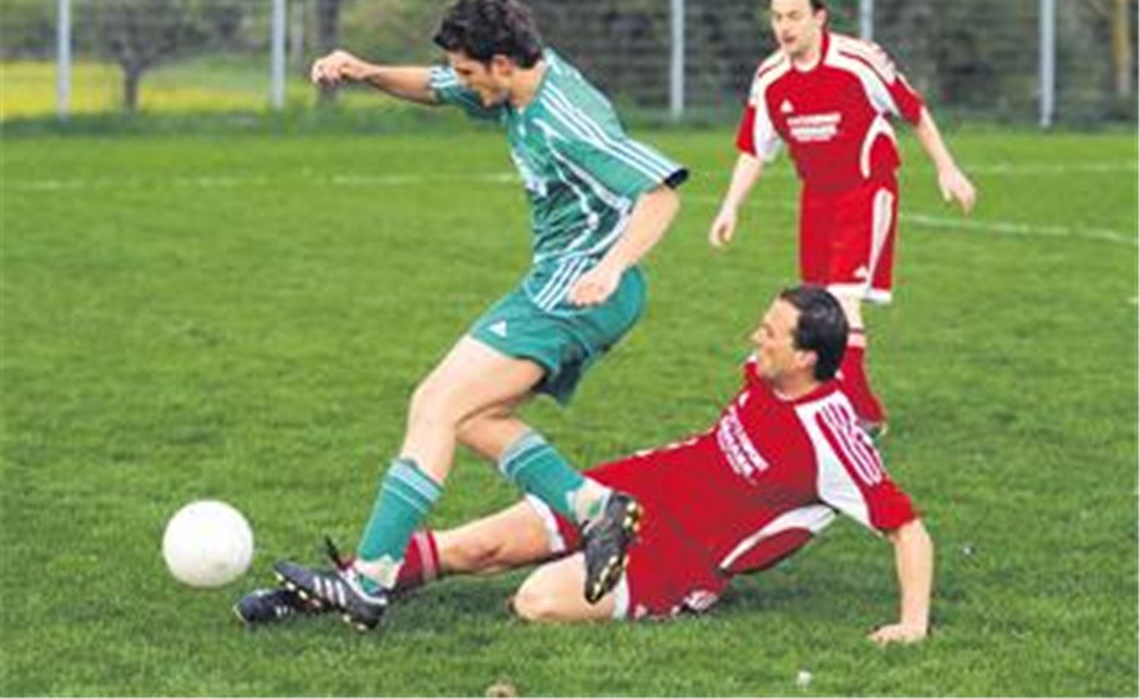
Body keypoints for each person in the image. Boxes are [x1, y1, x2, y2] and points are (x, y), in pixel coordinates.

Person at [271, 0, 687, 632]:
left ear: (502, 64)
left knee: (436, 404)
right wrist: (366, 70)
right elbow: (435, 85)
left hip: (579, 289)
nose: (459, 81)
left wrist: (609, 269)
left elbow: (662, 194)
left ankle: (370, 580)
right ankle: (595, 508)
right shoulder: (511, 81)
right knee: (472, 416)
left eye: (469, 71)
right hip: (558, 283)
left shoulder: (567, 118)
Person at [243, 286, 934, 645]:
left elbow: (908, 529)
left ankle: (353, 589)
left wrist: (912, 624)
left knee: (536, 602)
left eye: (771, 332)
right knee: (476, 546)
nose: (755, 337)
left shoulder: (833, 437)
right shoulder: (766, 371)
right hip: (633, 491)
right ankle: (337, 589)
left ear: (808, 356)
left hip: (681, 557)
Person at [708, 0, 977, 435]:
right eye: (776, 17)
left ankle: (858, 414)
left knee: (844, 300)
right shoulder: (770, 77)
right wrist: (730, 206)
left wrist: (947, 169)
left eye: (794, 16)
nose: (784, 26)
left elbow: (913, 110)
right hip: (816, 197)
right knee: (818, 307)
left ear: (819, 17)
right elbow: (754, 148)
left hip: (866, 189)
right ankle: (837, 404)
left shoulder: (859, 61)